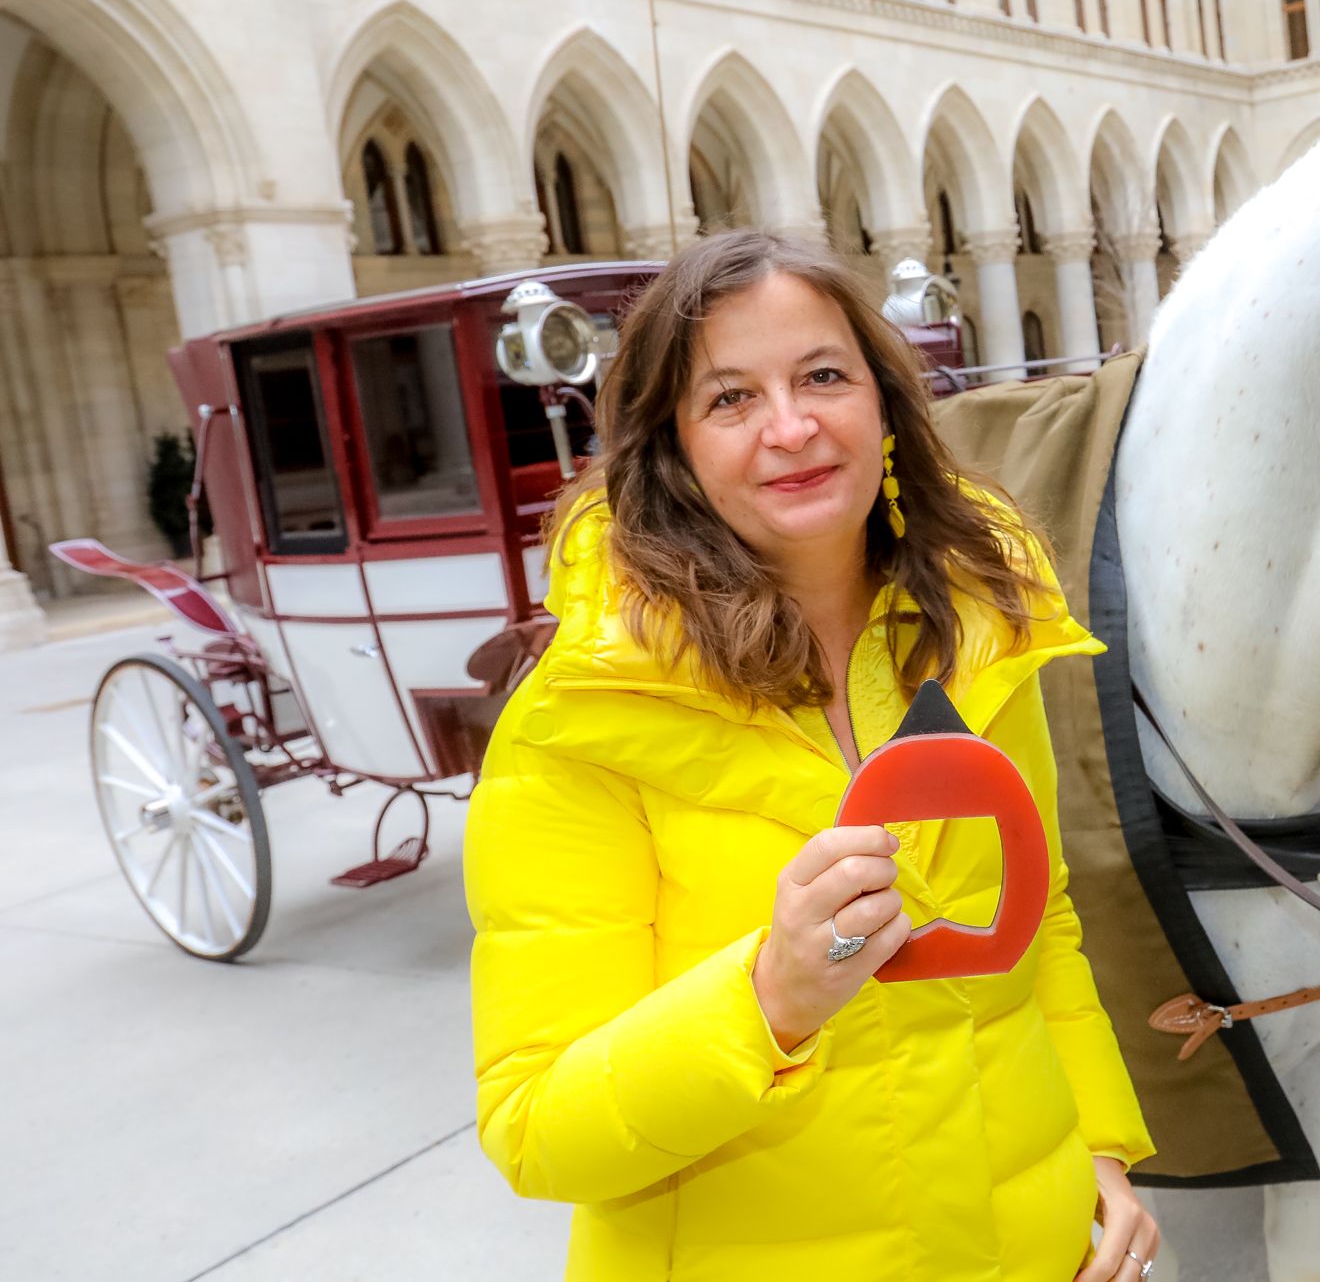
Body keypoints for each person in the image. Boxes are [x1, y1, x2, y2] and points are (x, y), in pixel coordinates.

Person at [465, 230, 1159, 1281]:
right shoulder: (582, 718)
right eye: (730, 399)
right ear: (675, 450)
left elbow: (1040, 927)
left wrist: (1096, 1149)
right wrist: (769, 998)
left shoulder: (978, 635)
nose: (790, 428)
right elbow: (538, 1127)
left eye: (822, 376)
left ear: (884, 403)